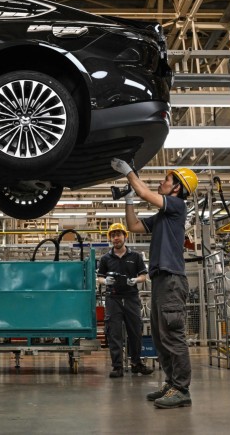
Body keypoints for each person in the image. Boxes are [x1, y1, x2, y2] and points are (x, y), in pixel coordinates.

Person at [111, 158, 198, 409]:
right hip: (161, 279)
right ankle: (172, 383)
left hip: (171, 279)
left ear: (176, 189)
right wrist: (129, 200)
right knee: (161, 338)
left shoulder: (177, 206)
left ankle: (182, 389)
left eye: (167, 180)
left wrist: (129, 172)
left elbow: (144, 191)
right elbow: (134, 226)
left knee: (172, 335)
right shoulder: (163, 215)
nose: (162, 182)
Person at [97, 222, 153, 378]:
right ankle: (117, 367)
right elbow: (99, 277)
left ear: (125, 236)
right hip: (113, 298)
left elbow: (144, 275)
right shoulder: (105, 259)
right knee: (114, 333)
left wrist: (136, 280)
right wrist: (105, 281)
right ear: (111, 238)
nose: (116, 238)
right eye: (113, 235)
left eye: (118, 235)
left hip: (131, 298)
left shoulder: (135, 257)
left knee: (135, 331)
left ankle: (136, 364)